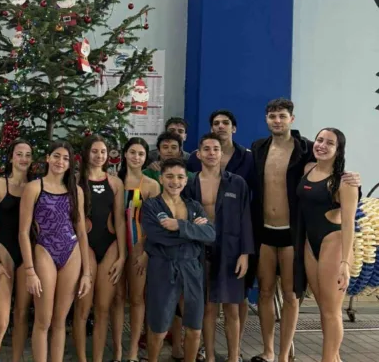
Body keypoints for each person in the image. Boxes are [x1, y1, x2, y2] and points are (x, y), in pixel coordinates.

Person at [250, 99, 360, 362]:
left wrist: (357, 180)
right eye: (272, 116)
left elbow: (345, 205)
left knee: (307, 302)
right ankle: (272, 352)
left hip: (307, 236)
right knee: (274, 295)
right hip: (279, 234)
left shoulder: (307, 150)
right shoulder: (261, 149)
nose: (277, 120)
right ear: (266, 119)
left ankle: (295, 356)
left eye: (282, 116)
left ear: (292, 119)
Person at [186, 110, 255, 362]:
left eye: (215, 149)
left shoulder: (237, 183)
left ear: (220, 153)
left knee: (232, 308)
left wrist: (245, 253)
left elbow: (246, 219)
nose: (211, 153)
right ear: (198, 154)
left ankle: (234, 356)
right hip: (200, 251)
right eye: (206, 149)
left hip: (230, 250)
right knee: (208, 308)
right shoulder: (190, 184)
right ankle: (210, 356)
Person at [19, 140, 92, 362]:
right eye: (57, 156)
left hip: (71, 251)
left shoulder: (76, 191)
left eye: (66, 158)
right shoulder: (34, 188)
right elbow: (23, 232)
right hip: (45, 250)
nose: (61, 161)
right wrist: (30, 271)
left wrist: (87, 273)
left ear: (70, 164)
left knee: (60, 321)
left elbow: (81, 231)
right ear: (48, 158)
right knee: (43, 320)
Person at [141, 158, 216, 362]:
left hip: (192, 267)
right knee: (158, 328)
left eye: (180, 177)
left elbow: (210, 234)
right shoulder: (151, 206)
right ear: (161, 179)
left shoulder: (194, 206)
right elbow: (157, 236)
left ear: (186, 180)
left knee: (194, 327)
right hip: (162, 267)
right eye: (170, 176)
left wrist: (179, 225)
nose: (175, 182)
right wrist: (193, 230)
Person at [295, 128, 357, 362]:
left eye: (329, 143)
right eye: (320, 140)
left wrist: (345, 263)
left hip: (334, 243)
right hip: (311, 243)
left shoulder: (344, 182)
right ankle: (334, 358)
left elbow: (349, 224)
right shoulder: (308, 169)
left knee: (332, 311)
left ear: (338, 150)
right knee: (324, 308)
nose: (322, 145)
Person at [73, 135, 127, 362]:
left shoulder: (115, 183)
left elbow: (120, 220)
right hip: (85, 246)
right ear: (86, 153)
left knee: (103, 307)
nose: (99, 156)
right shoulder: (75, 181)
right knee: (83, 308)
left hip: (110, 244)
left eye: (103, 152)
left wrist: (122, 255)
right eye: (94, 151)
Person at [110, 137, 160, 362]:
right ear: (124, 154)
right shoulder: (114, 181)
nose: (136, 157)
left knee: (137, 299)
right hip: (114, 246)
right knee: (118, 298)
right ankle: (117, 351)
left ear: (145, 157)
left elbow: (156, 223)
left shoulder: (151, 185)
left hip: (139, 246)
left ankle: (132, 353)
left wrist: (147, 251)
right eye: (132, 152)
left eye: (141, 154)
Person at [0, 139, 34, 362]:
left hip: (27, 254)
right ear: (11, 157)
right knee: (1, 321)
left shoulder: (35, 186)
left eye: (28, 155)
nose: (23, 159)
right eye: (19, 154)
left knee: (21, 316)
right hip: (3, 252)